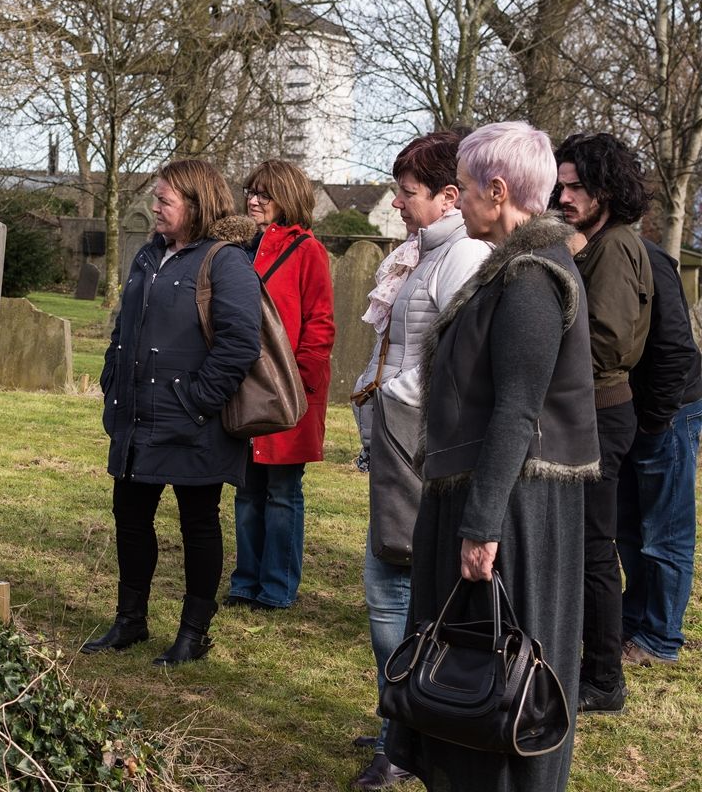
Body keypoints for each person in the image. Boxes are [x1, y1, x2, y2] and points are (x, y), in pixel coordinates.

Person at [385, 121, 599, 791]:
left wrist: (481, 526)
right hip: (491, 496)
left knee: (500, 676)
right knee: (468, 672)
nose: (459, 200)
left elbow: (517, 409)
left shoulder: (532, 276)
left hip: (512, 509)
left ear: (498, 190)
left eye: (468, 188)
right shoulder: (511, 268)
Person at [348, 131, 490, 790]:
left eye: (408, 193)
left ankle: (405, 741)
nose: (399, 204)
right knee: (388, 597)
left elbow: (459, 372)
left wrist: (391, 407)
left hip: (422, 458)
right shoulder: (421, 255)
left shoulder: (462, 259)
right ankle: (399, 730)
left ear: (449, 196)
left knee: (395, 601)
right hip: (397, 449)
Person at [83, 159, 262, 666]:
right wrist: (111, 379)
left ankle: (193, 634)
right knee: (130, 517)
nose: (154, 207)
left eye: (165, 200)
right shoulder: (148, 254)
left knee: (198, 523)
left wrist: (195, 400)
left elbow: (240, 344)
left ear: (196, 205)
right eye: (156, 198)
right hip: (138, 418)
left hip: (194, 423)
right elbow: (124, 328)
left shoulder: (225, 262)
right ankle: (129, 621)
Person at [553, 132, 653, 714]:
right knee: (581, 545)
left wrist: (545, 372)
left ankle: (603, 679)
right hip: (583, 410)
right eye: (560, 184)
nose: (563, 195)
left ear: (606, 188)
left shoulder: (614, 246)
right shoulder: (593, 241)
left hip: (598, 414)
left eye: (576, 186)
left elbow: (608, 343)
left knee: (594, 547)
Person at [224, 160, 333, 611]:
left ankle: (276, 588)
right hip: (243, 388)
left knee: (283, 492)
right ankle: (244, 582)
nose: (253, 199)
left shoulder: (308, 250)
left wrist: (299, 388)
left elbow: (320, 325)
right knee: (247, 491)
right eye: (251, 191)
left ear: (286, 197)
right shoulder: (238, 248)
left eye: (264, 194)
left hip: (288, 392)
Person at [615, 236, 702, 665]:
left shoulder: (648, 258)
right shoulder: (595, 253)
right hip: (632, 411)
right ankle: (635, 620)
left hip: (668, 410)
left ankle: (661, 638)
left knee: (665, 530)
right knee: (629, 526)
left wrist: (655, 419)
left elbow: (676, 350)